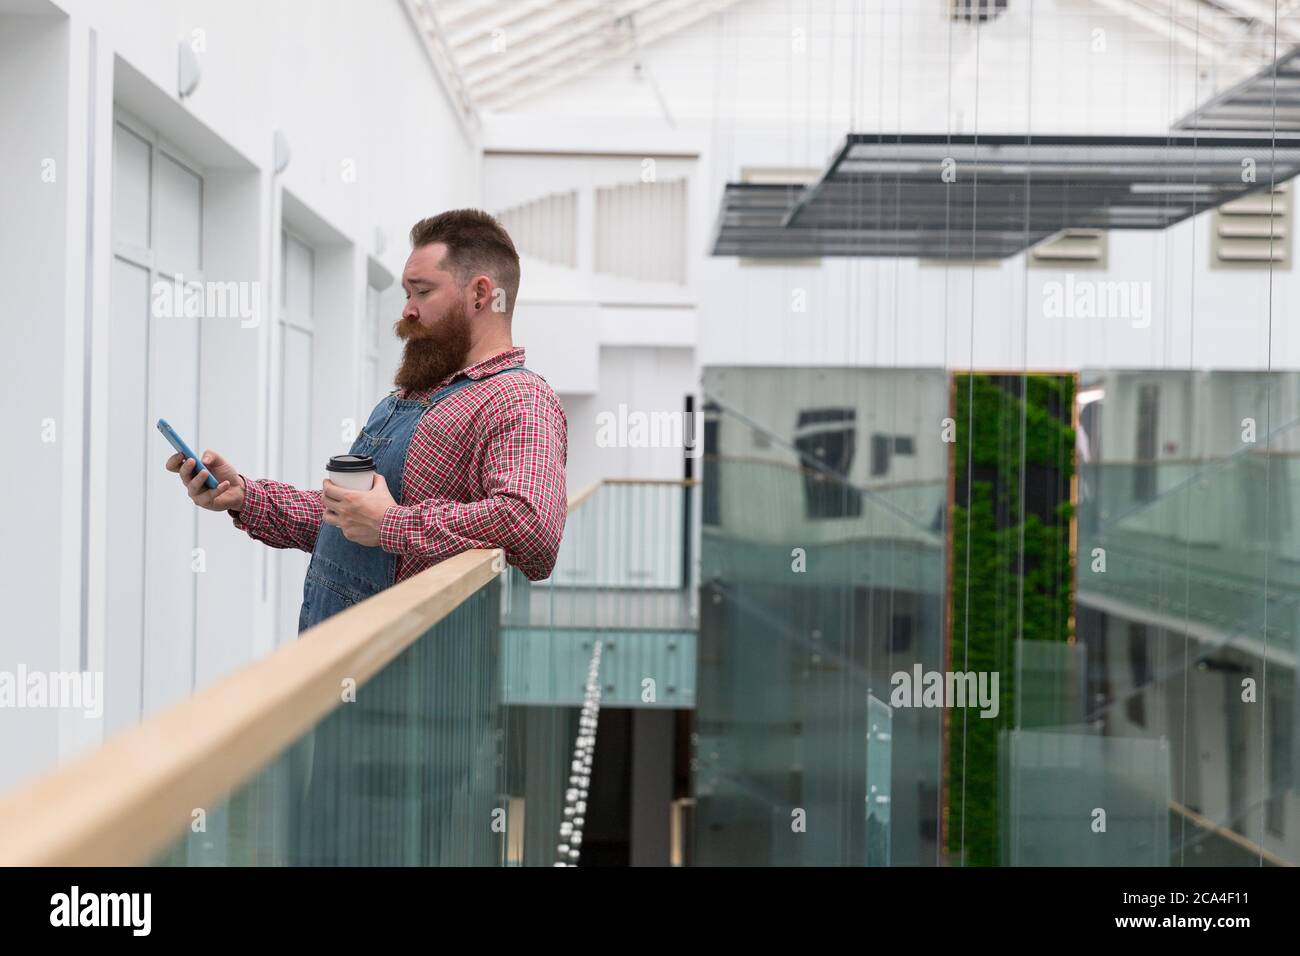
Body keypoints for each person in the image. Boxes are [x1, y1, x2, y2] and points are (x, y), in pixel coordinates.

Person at [165, 208, 568, 633]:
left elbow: (531, 526)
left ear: (480, 294)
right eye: (407, 294)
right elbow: (347, 520)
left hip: (404, 677)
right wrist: (245, 496)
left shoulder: (518, 399)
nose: (407, 311)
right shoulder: (411, 396)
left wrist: (389, 524)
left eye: (422, 292)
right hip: (337, 657)